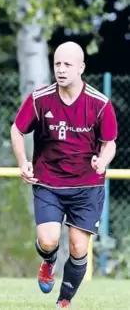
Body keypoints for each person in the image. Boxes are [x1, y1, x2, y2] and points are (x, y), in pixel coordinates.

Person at [10, 41, 118, 308]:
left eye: (67, 64)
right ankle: (48, 262)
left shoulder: (99, 103)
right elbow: (17, 130)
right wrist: (23, 161)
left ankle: (64, 301)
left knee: (79, 249)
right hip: (49, 182)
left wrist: (102, 161)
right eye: (57, 63)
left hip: (87, 186)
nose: (61, 69)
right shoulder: (40, 99)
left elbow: (110, 142)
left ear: (81, 68)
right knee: (48, 241)